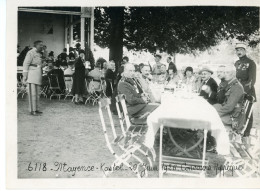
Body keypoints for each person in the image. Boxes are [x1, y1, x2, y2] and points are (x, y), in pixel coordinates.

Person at [234, 42, 257, 138]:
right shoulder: (237, 63)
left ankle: (246, 134)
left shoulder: (251, 63)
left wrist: (243, 92)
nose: (238, 52)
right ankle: (238, 131)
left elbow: (252, 80)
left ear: (244, 51)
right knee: (238, 111)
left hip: (247, 92)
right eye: (237, 50)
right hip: (238, 89)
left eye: (240, 50)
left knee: (247, 112)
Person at [22, 40, 46, 116]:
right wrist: (25, 76)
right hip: (31, 75)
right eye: (40, 45)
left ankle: (36, 109)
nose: (42, 46)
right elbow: (26, 64)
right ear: (36, 45)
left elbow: (37, 65)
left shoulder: (39, 54)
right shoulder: (30, 52)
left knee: (37, 94)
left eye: (42, 45)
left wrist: (43, 65)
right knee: (32, 94)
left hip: (38, 74)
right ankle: (32, 110)